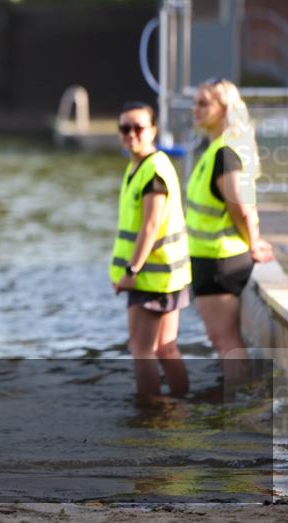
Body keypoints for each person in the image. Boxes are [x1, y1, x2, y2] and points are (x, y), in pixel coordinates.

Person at [186, 79, 274, 381]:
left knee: (226, 342)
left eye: (204, 103)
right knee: (224, 342)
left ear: (223, 109)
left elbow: (240, 207)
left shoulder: (225, 153)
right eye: (195, 102)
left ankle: (240, 402)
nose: (195, 109)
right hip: (212, 258)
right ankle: (240, 399)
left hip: (219, 260)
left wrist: (254, 241)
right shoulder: (217, 150)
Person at [110, 103, 191, 398]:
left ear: (153, 130)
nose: (131, 134)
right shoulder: (139, 166)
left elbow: (151, 225)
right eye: (124, 128)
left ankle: (150, 416)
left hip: (151, 277)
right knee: (164, 348)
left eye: (138, 128)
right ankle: (182, 406)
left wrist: (131, 271)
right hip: (165, 275)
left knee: (141, 350)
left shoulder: (153, 170)